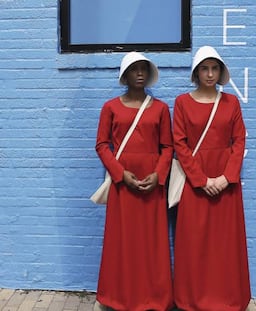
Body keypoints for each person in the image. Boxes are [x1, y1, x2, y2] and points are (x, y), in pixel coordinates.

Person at [172, 46, 251, 310]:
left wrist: (227, 177)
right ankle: (192, 299)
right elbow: (179, 144)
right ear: (196, 72)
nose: (209, 74)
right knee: (194, 243)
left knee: (224, 244)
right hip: (195, 183)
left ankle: (227, 298)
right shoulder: (182, 102)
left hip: (226, 184)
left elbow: (239, 140)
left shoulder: (231, 103)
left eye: (214, 68)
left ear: (220, 72)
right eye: (204, 68)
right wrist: (201, 180)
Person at [94, 52, 174, 310]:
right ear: (125, 75)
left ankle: (154, 297)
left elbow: (167, 147)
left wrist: (159, 175)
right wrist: (120, 174)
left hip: (151, 184)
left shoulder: (161, 108)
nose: (140, 73)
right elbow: (102, 145)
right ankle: (119, 297)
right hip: (123, 184)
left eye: (143, 69)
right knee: (123, 241)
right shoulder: (110, 108)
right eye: (134, 69)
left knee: (152, 242)